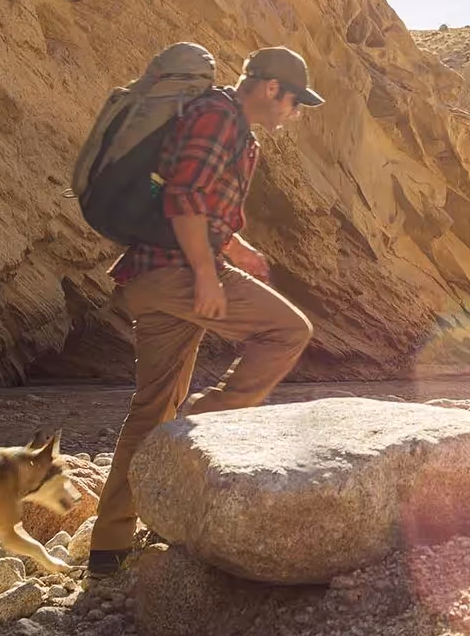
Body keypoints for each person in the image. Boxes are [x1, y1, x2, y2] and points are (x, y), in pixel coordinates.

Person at [85, 46, 323, 575]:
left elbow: (203, 204)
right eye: (294, 101)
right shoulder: (219, 117)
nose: (295, 112)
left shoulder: (229, 125)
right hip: (176, 273)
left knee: (149, 411)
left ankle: (108, 548)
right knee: (288, 331)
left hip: (151, 276)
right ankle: (198, 424)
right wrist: (208, 274)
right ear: (269, 89)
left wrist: (236, 249)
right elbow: (184, 197)